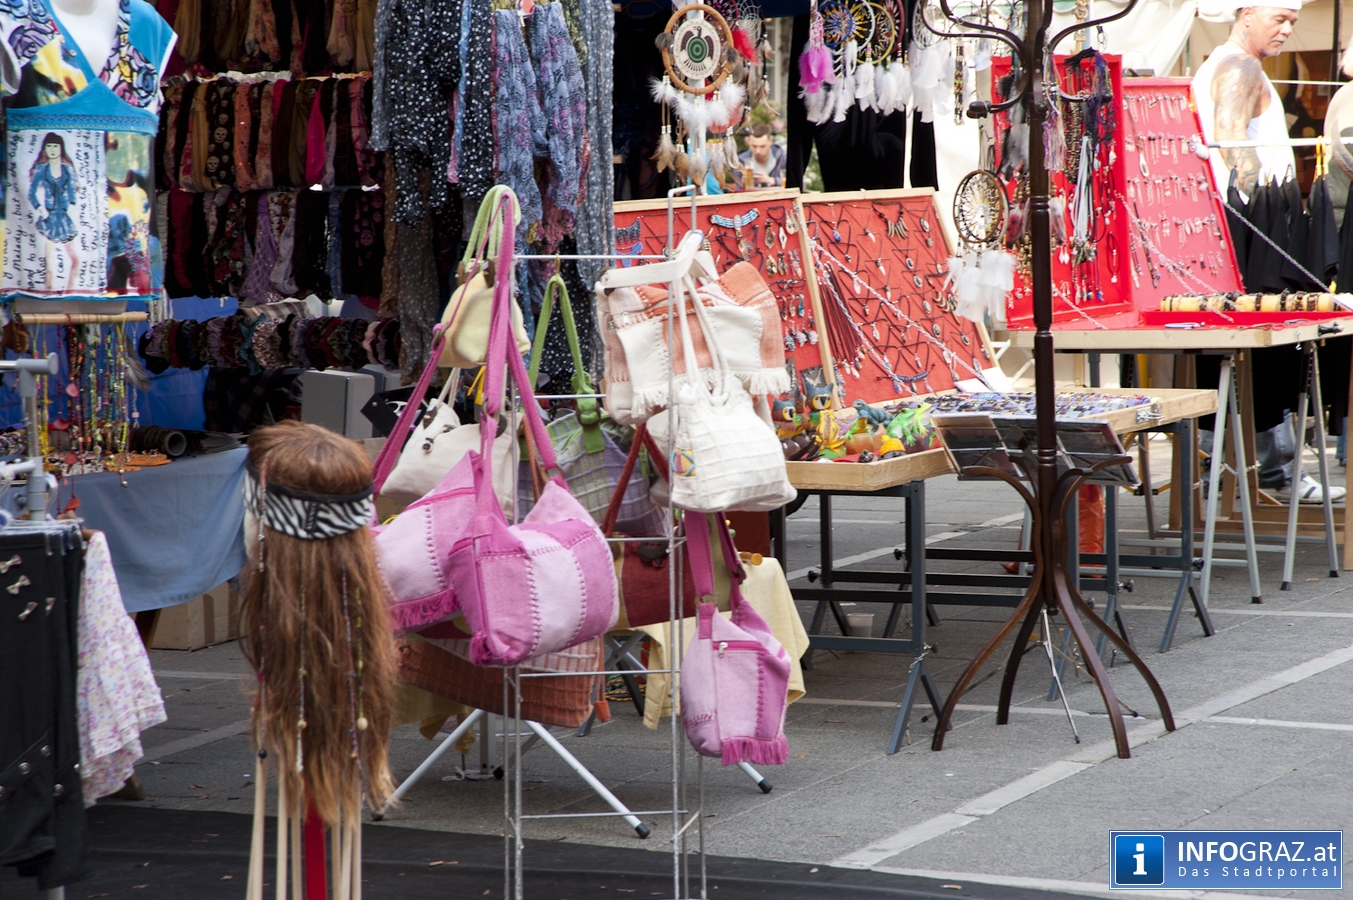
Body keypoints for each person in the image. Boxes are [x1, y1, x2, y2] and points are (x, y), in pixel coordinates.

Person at [1192, 1, 1344, 501]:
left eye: (1294, 21)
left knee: (1262, 354)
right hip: (1253, 230)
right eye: (1279, 18)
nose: (1287, 29)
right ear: (1247, 13)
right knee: (1274, 348)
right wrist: (1267, 226)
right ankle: (1274, 472)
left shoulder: (1222, 64)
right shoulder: (1239, 66)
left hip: (1244, 228)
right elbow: (1234, 148)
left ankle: (1245, 467)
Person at [737, 122, 785, 189]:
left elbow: (796, 183)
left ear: (770, 141)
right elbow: (737, 191)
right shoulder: (741, 161)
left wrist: (772, 181)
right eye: (754, 146)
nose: (758, 151)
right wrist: (742, 185)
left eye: (762, 146)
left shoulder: (782, 157)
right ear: (748, 142)